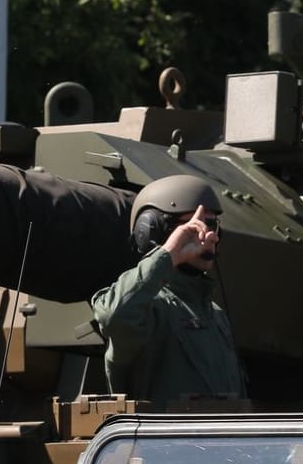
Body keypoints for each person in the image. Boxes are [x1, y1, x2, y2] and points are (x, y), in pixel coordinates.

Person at [90, 175, 246, 410]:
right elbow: (114, 316)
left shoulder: (215, 314)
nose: (210, 237)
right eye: (194, 228)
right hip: (162, 446)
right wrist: (168, 255)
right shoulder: (149, 309)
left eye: (214, 226)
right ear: (152, 232)